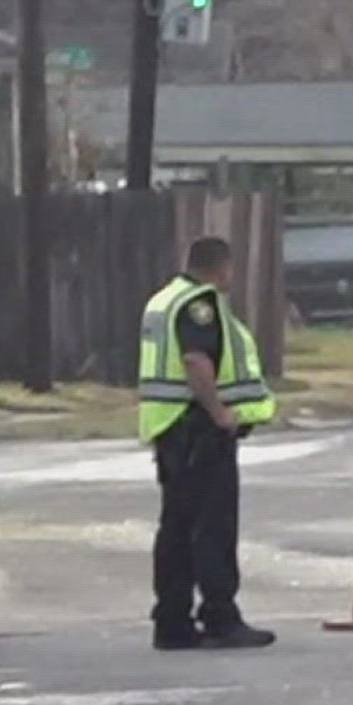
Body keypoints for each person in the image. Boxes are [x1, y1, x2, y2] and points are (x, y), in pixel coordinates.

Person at [137, 236, 279, 651]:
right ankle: (220, 617)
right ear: (222, 269)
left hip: (169, 428)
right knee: (212, 527)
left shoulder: (163, 299)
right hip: (197, 429)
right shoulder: (200, 305)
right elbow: (196, 362)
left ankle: (172, 621)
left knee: (177, 528)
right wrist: (220, 413)